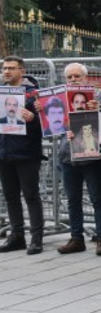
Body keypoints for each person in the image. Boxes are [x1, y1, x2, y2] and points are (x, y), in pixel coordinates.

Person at [49, 63, 101, 255]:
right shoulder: (59, 99)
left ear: (85, 77)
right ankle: (77, 238)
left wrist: (100, 110)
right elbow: (52, 122)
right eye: (70, 77)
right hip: (68, 156)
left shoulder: (98, 96)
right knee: (72, 200)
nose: (73, 79)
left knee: (97, 199)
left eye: (77, 76)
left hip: (92, 157)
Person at [0, 56, 44, 254]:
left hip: (27, 153)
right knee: (10, 197)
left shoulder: (34, 95)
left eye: (11, 68)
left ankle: (36, 238)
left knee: (31, 196)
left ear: (22, 71)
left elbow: (48, 125)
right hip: (4, 152)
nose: (7, 71)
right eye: (4, 68)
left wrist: (34, 119)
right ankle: (17, 236)